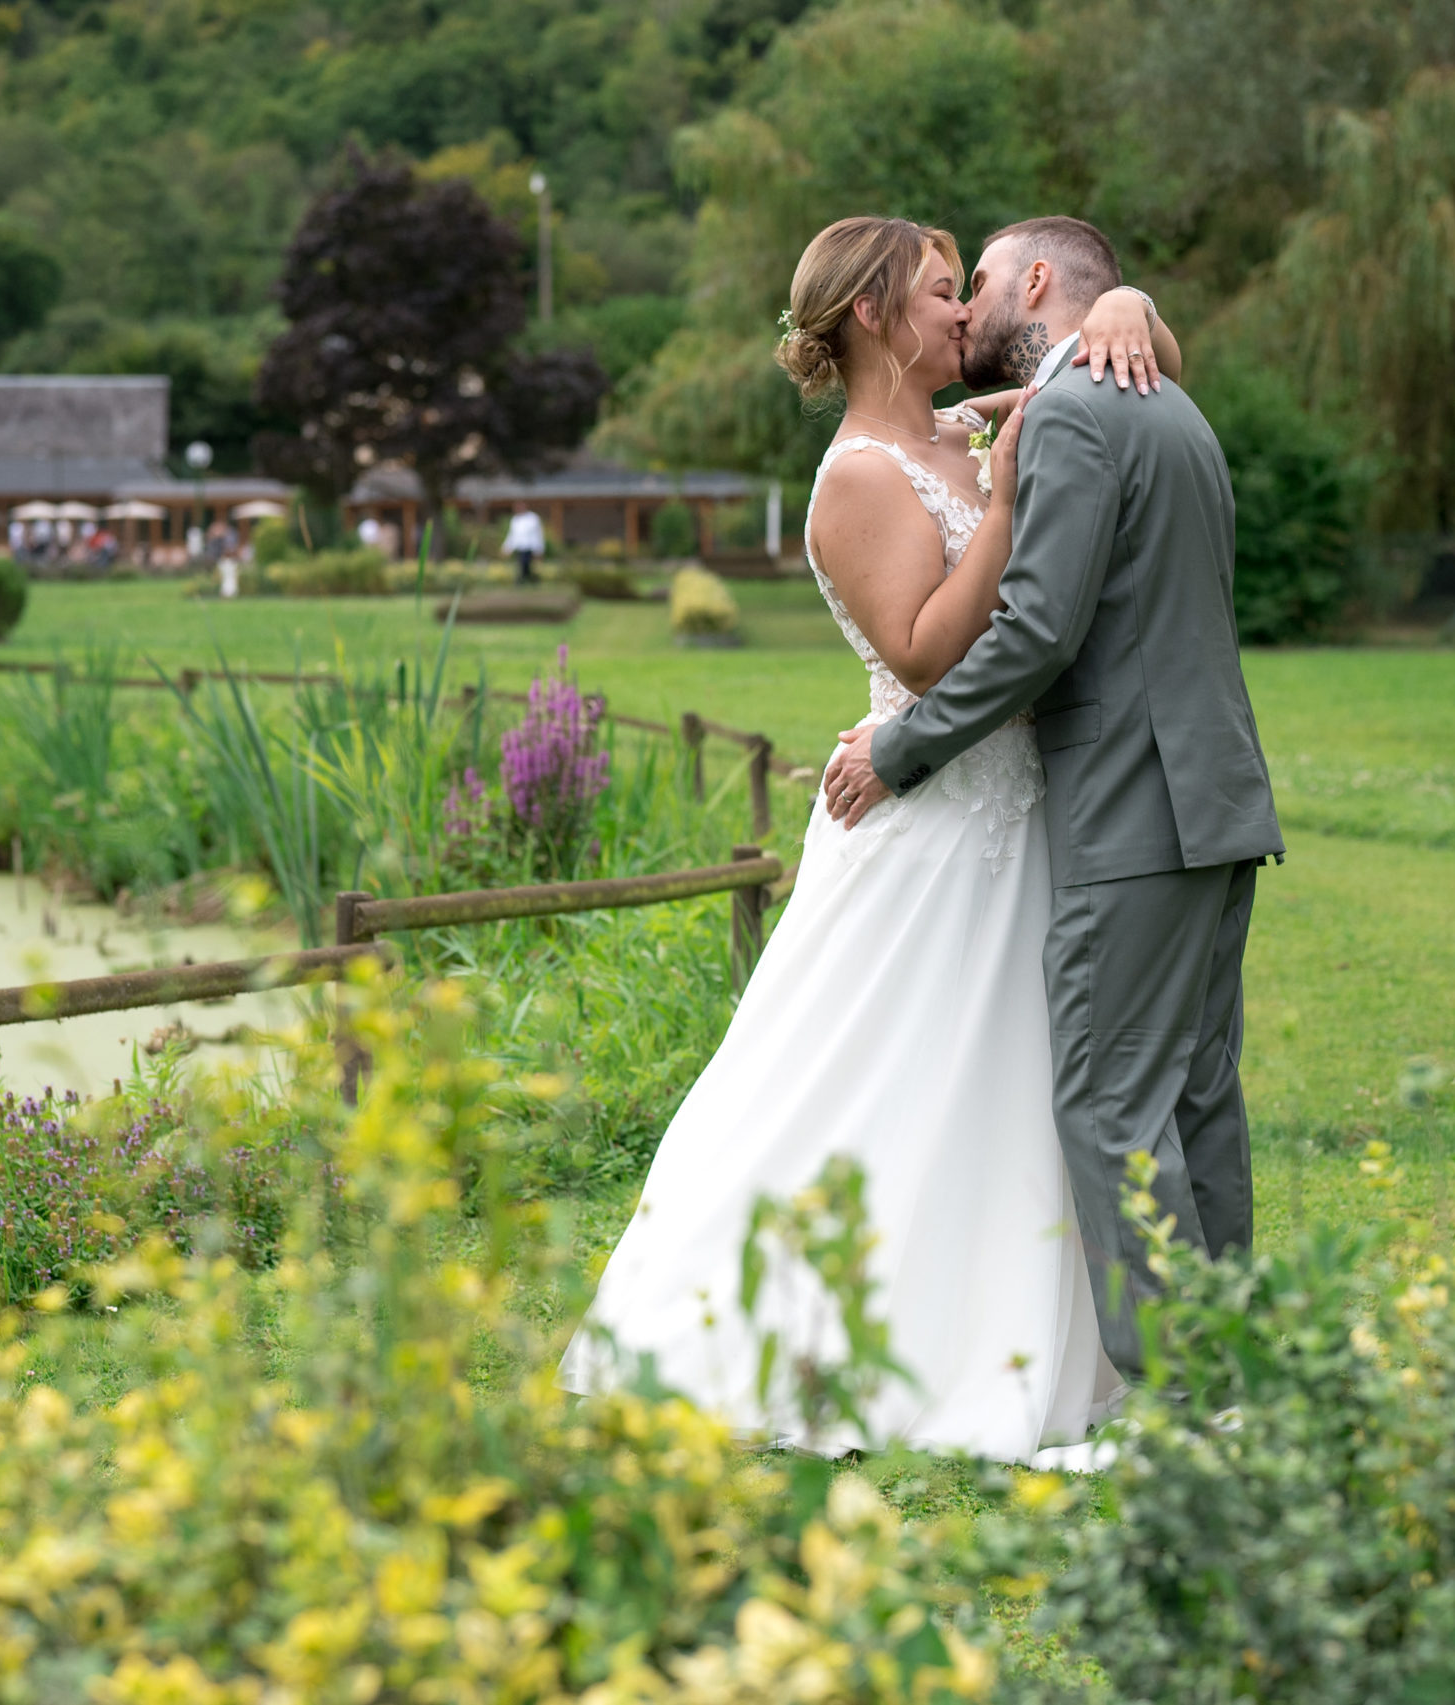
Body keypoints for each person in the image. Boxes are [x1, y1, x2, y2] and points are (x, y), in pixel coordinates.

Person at [562, 215, 1183, 1463]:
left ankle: (1018, 1335)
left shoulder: (962, 427)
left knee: (1017, 1089)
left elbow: (1123, 359)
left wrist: (1131, 307)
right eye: (944, 294)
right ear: (871, 315)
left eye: (968, 292)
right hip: (925, 824)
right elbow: (921, 649)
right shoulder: (858, 474)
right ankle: (800, 1343)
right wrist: (1008, 500)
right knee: (871, 1078)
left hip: (1022, 809)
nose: (967, 315)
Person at [822, 216, 1282, 1375]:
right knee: (1193, 1098)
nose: (966, 310)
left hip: (1136, 802)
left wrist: (901, 748)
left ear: (1036, 281)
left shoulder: (1076, 410)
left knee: (1111, 1104)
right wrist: (1124, 318)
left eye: (974, 282)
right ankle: (1230, 1378)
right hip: (1213, 794)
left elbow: (1035, 631)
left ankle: (1179, 1398)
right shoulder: (1159, 402)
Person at [504, 505, 545, 584]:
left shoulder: (533, 518)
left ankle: (528, 580)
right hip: (520, 547)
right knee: (521, 564)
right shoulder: (515, 520)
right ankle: (525, 580)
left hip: (530, 546)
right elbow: (512, 535)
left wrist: (539, 548)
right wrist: (507, 547)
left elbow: (538, 534)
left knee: (528, 564)